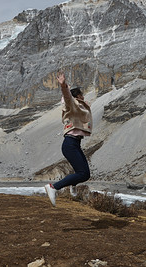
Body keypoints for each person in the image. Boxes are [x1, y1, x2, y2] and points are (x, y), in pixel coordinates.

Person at [44, 72, 92, 207]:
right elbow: (67, 97)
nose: (84, 97)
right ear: (78, 96)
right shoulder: (73, 104)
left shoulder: (77, 106)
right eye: (82, 95)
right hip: (70, 143)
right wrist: (64, 85)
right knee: (83, 173)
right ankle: (53, 187)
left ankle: (73, 183)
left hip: (75, 143)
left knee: (85, 174)